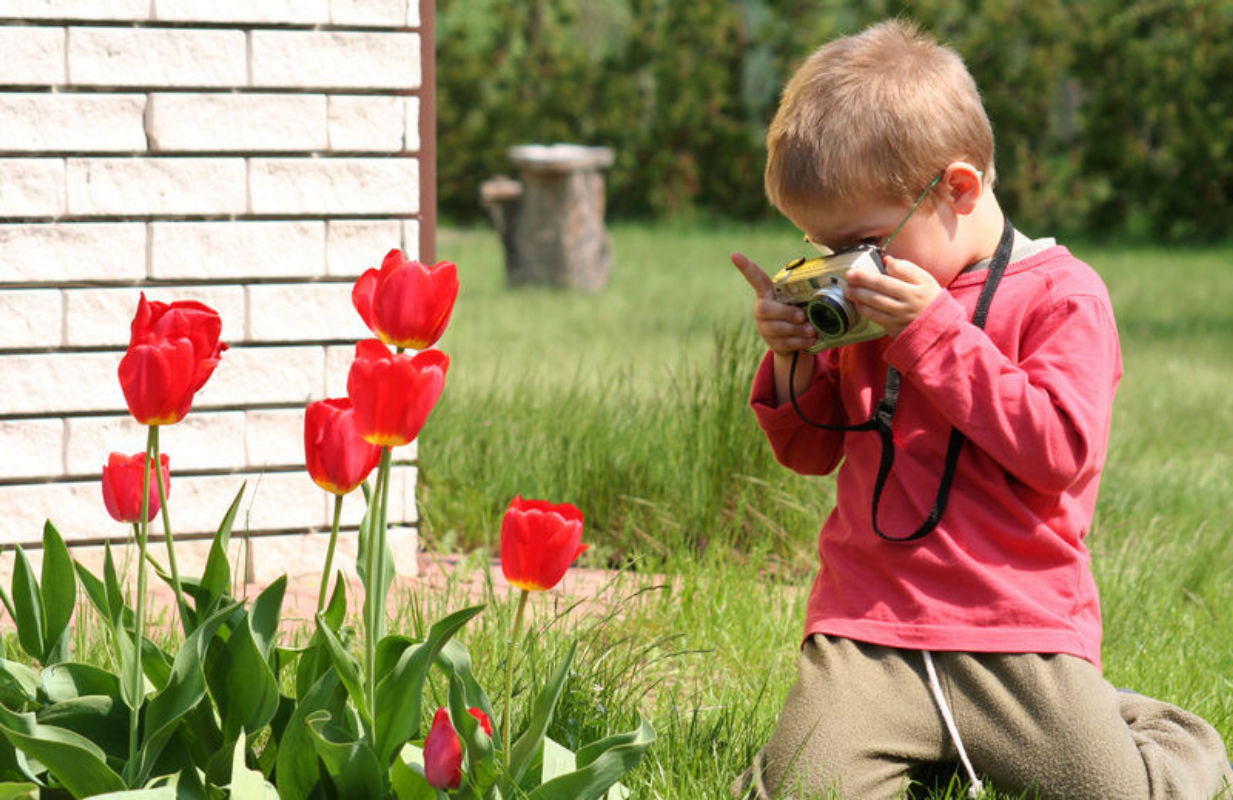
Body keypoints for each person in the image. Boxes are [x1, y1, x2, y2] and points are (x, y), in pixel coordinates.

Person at [729, 18, 1233, 800]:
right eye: (819, 246)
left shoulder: (1063, 296)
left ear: (955, 189)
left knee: (1122, 795)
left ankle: (1139, 725)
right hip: (870, 626)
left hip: (1017, 630)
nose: (842, 270)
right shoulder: (871, 299)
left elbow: (1056, 451)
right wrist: (793, 356)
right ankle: (920, 747)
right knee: (798, 790)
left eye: (860, 242)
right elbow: (807, 452)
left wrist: (933, 332)